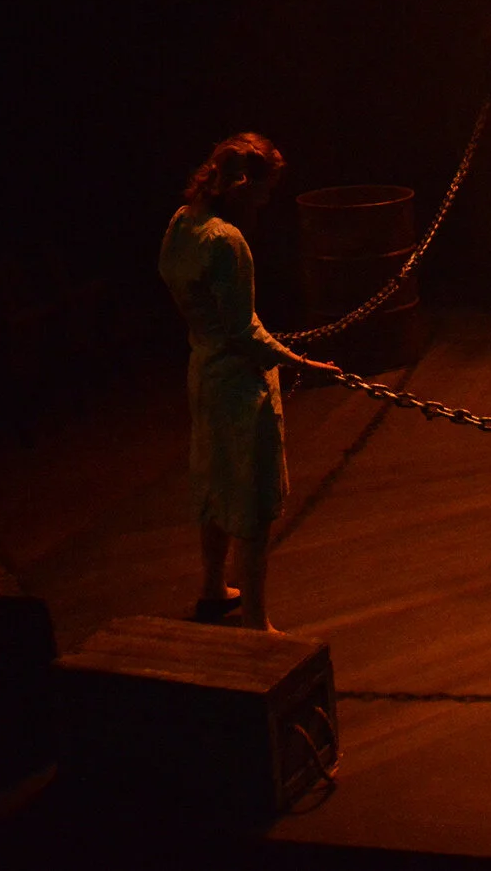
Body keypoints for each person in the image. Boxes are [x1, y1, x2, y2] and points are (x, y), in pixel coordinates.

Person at [158, 133, 339, 632]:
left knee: (215, 483)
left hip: (203, 371)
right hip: (240, 386)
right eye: (267, 188)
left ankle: (213, 587)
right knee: (254, 501)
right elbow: (244, 333)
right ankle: (257, 622)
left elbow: (200, 303)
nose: (268, 198)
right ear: (245, 184)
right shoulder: (226, 241)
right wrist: (303, 363)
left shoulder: (182, 222)